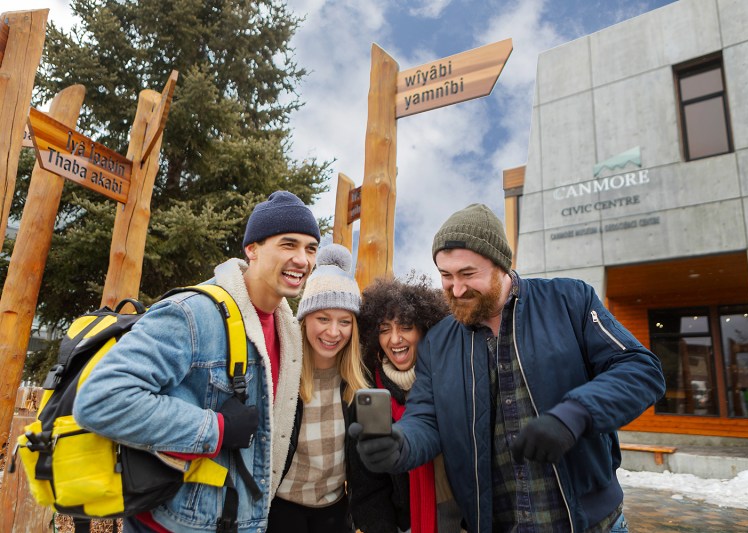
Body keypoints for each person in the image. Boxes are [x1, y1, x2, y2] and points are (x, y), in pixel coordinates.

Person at [350, 203, 666, 533]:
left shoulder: (570, 301)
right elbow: (426, 418)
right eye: (446, 276)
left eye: (468, 274)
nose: (456, 289)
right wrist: (401, 444)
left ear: (502, 265)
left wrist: (574, 415)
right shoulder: (438, 342)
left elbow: (640, 369)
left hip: (592, 523)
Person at [73, 191, 321, 533]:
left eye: (311, 248)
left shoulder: (288, 328)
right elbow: (99, 400)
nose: (302, 259)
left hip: (241, 522)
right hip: (173, 525)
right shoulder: (192, 313)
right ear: (252, 249)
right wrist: (216, 429)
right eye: (288, 244)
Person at [268, 244, 369, 533]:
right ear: (305, 320)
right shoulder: (284, 372)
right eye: (323, 318)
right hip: (281, 508)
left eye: (345, 321)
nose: (333, 332)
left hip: (335, 510)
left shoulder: (357, 380)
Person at [350, 275, 462, 533]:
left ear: (425, 328)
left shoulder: (453, 377)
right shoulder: (368, 393)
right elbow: (367, 487)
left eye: (406, 326)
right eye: (385, 329)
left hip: (463, 518)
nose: (395, 339)